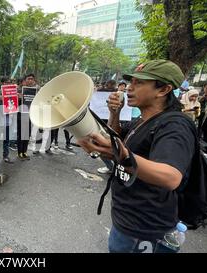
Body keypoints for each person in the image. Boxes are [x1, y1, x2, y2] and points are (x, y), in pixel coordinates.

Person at [78, 60, 196, 253]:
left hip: (146, 231)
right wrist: (114, 114)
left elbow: (170, 177)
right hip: (127, 222)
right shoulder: (142, 120)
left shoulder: (175, 125)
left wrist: (121, 156)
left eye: (139, 83)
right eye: (130, 82)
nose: (129, 88)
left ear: (163, 90)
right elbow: (117, 140)